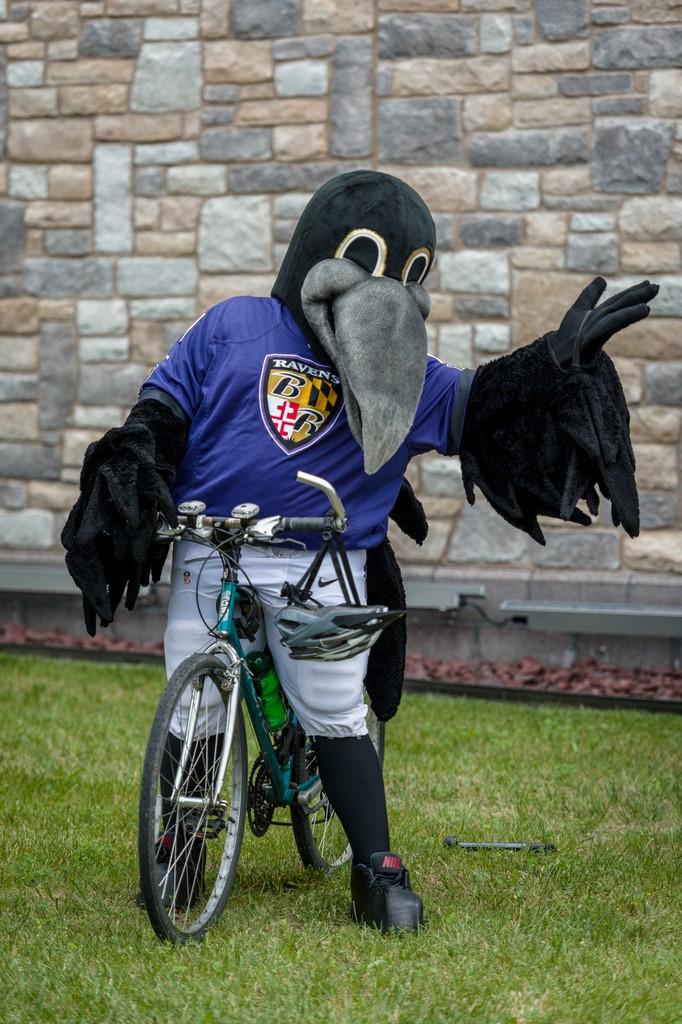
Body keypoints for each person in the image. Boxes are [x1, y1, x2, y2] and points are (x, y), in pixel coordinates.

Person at [63, 170, 657, 932]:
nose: (385, 291)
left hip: (324, 556)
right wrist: (132, 475)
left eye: (407, 274)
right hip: (214, 543)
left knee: (332, 702)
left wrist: (551, 365)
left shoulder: (405, 374)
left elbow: (481, 406)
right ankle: (179, 836)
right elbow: (162, 411)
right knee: (195, 680)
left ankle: (376, 867)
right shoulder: (233, 326)